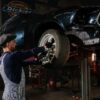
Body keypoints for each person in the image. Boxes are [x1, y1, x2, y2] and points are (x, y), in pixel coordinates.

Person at [0, 33, 47, 100]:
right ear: (7, 44)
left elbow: (24, 63)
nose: (15, 43)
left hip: (10, 96)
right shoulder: (11, 57)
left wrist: (37, 60)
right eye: (13, 41)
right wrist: (44, 48)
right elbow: (29, 52)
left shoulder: (2, 58)